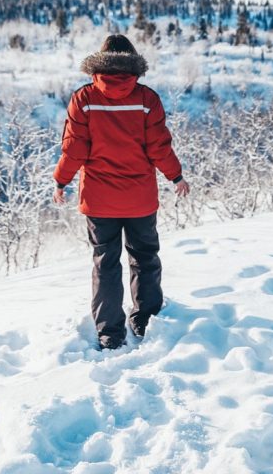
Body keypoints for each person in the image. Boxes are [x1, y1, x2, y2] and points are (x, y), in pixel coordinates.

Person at [53, 34, 190, 350]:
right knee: (145, 259)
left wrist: (61, 181)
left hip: (99, 201)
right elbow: (159, 146)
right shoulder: (146, 99)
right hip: (140, 198)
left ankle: (110, 333)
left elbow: (74, 149)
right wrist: (176, 176)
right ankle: (146, 322)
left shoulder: (84, 98)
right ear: (133, 63)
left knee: (106, 262)